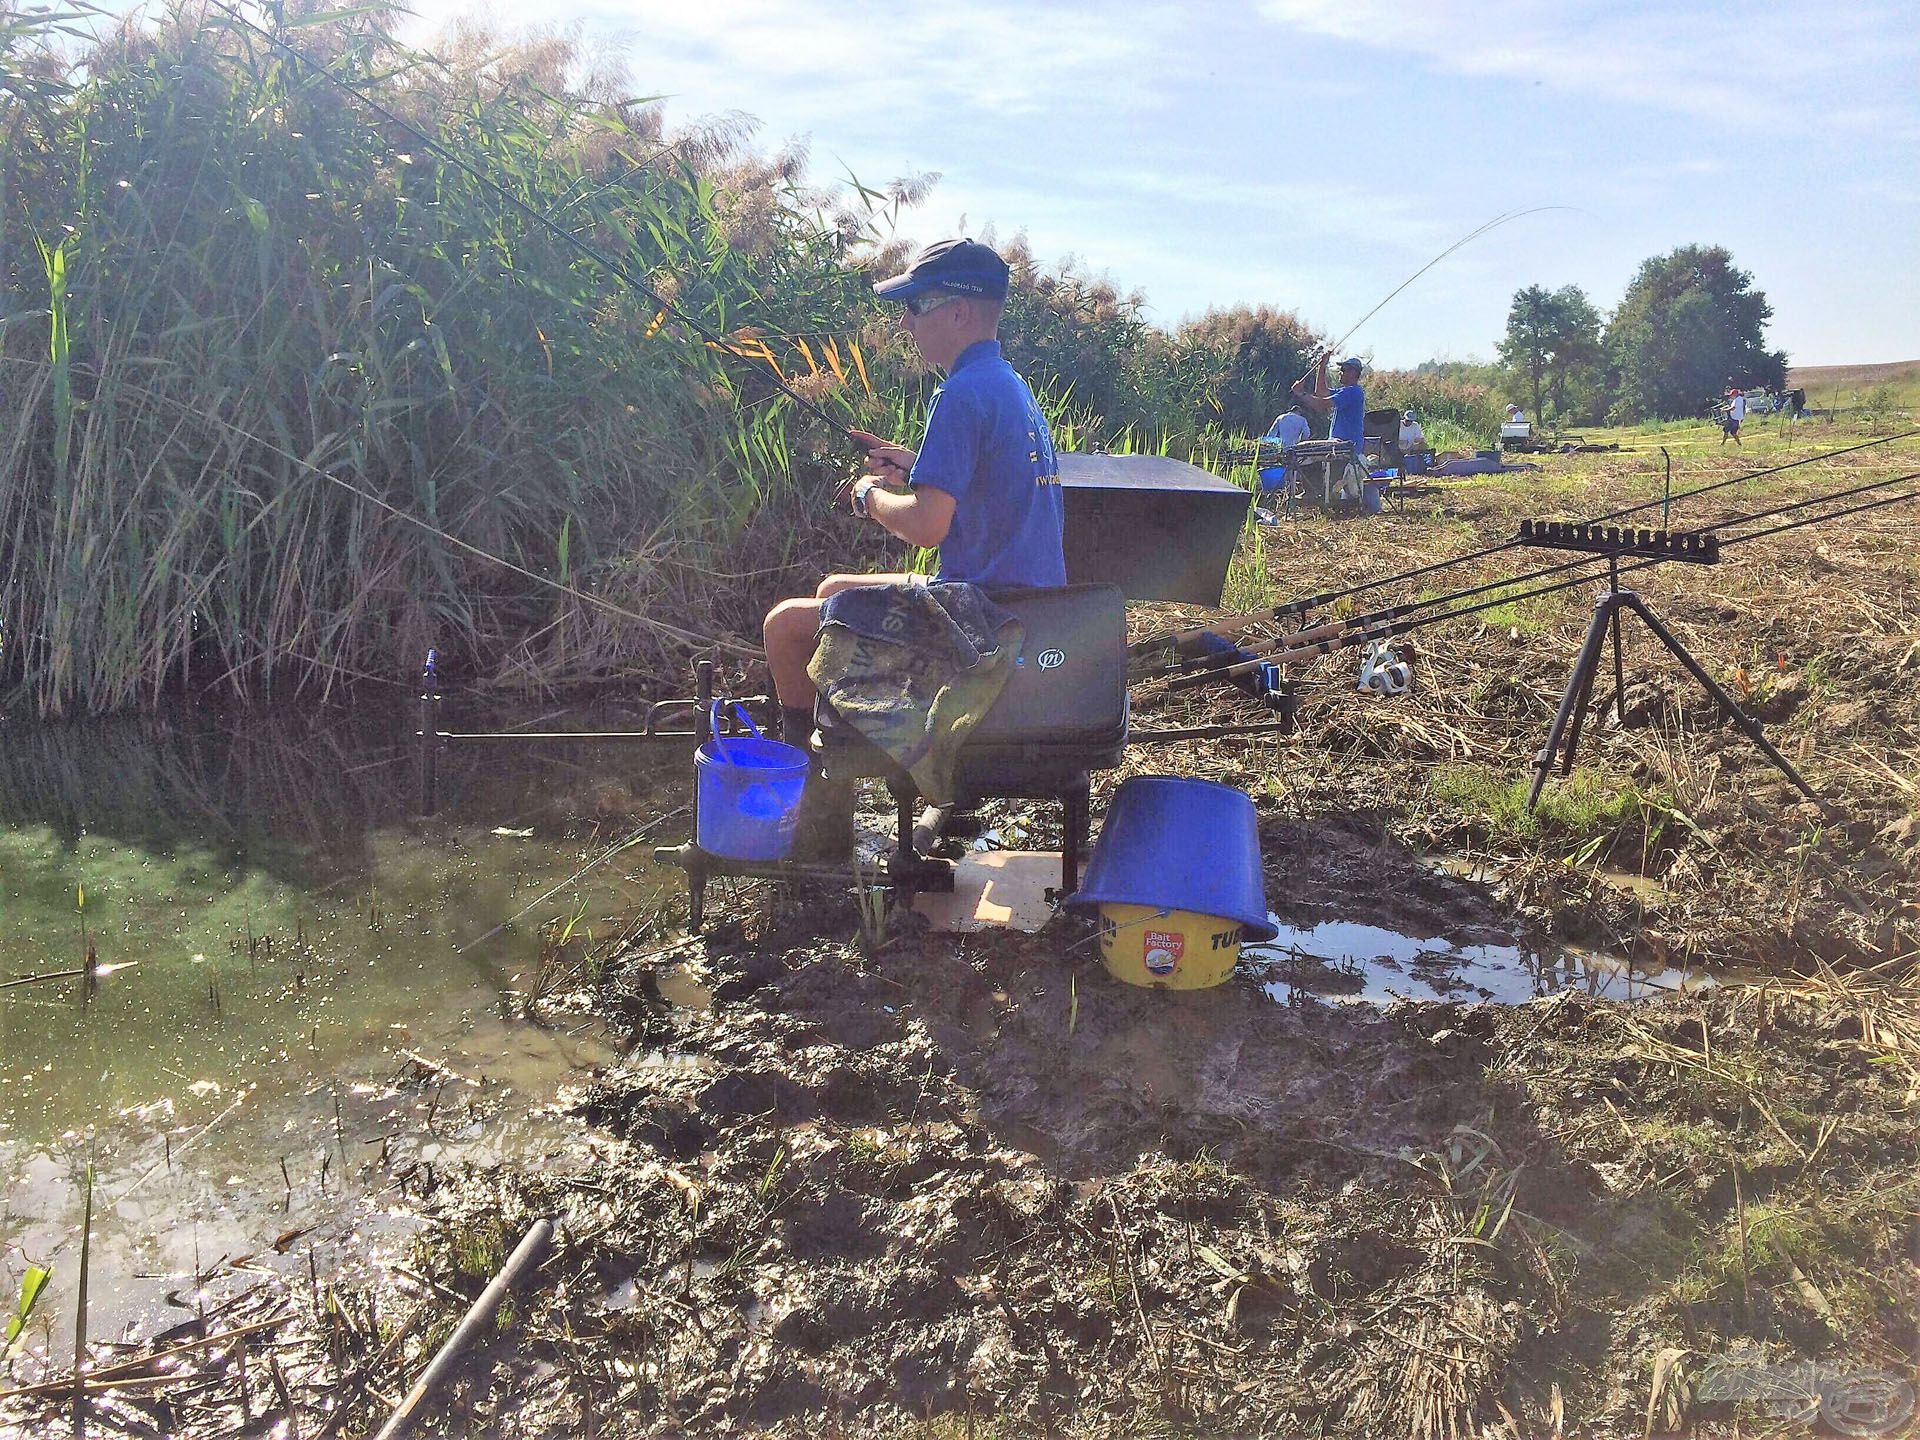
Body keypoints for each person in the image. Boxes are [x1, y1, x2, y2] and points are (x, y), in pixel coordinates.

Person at [761, 238, 1065, 744]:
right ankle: (842, 743)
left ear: (960, 313)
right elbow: (986, 478)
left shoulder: (959, 395)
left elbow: (927, 527)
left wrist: (867, 495)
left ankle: (812, 778)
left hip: (979, 619)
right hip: (1023, 604)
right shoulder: (1006, 384)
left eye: (916, 306)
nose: (905, 322)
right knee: (832, 590)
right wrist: (913, 465)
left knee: (784, 626)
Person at [1292, 354, 1365, 501]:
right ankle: (1315, 491)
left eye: (1343, 369)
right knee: (1308, 451)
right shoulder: (1344, 391)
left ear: (1353, 373)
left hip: (1344, 444)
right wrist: (1322, 366)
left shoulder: (1353, 391)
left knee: (1302, 450)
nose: (1341, 372)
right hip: (1338, 444)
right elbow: (1321, 392)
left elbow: (1321, 403)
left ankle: (1313, 492)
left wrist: (1300, 394)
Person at [1398, 408, 1428, 473]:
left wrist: (1419, 440)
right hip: (1398, 447)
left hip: (1411, 447)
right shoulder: (1398, 424)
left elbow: (1421, 438)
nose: (1409, 423)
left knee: (1424, 445)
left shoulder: (1415, 425)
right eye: (1408, 420)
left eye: (1411, 421)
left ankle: (1419, 464)